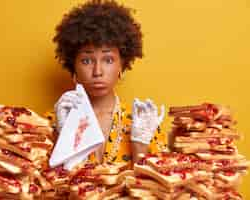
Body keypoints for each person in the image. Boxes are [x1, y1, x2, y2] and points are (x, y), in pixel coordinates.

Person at [45, 0, 167, 165]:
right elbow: (45, 185)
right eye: (87, 61)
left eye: (108, 60)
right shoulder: (51, 122)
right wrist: (63, 135)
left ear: (122, 65)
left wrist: (140, 145)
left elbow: (157, 186)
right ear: (73, 68)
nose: (97, 71)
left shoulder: (143, 122)